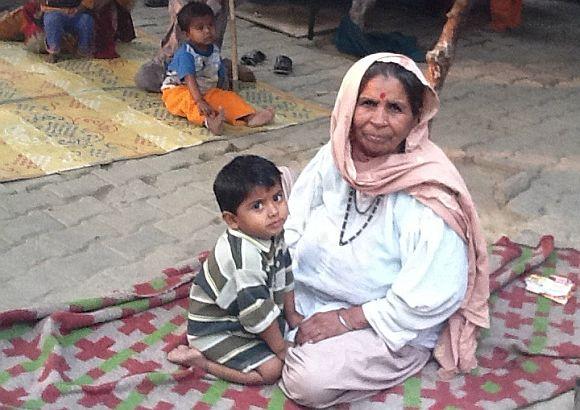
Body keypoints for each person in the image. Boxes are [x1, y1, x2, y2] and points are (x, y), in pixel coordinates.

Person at [279, 53, 490, 408]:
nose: (378, 121)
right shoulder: (335, 158)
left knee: (308, 381)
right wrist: (281, 291)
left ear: (414, 119)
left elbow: (435, 292)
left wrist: (348, 319)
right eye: (367, 104)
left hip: (385, 324)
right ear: (348, 106)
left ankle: (363, 363)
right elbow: (294, 225)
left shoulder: (429, 190)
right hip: (305, 297)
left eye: (395, 109)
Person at [168, 155, 304, 385]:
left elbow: (285, 271)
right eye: (257, 205)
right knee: (271, 370)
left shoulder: (272, 232)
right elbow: (257, 311)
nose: (273, 211)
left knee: (289, 333)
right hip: (218, 328)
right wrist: (281, 349)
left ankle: (271, 336)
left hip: (245, 316)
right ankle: (200, 362)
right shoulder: (245, 259)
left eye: (277, 198)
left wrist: (291, 315)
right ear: (232, 220)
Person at [160, 2, 274, 135]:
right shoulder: (186, 53)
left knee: (228, 98)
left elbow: (218, 70)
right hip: (179, 89)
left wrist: (222, 92)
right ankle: (209, 122)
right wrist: (200, 100)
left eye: (210, 26)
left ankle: (248, 116)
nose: (207, 31)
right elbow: (189, 79)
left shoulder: (213, 49)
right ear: (187, 34)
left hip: (206, 89)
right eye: (200, 28)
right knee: (189, 103)